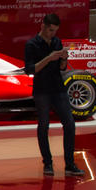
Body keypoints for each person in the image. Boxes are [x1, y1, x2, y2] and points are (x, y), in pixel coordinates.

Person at [25, 13, 84, 177]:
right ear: (43, 26)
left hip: (58, 87)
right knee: (44, 125)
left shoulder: (57, 42)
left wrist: (64, 58)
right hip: (41, 89)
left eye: (55, 31)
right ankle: (48, 163)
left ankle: (70, 164)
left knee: (70, 124)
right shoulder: (31, 44)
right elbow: (30, 70)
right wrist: (49, 58)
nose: (53, 34)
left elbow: (62, 68)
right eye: (50, 30)